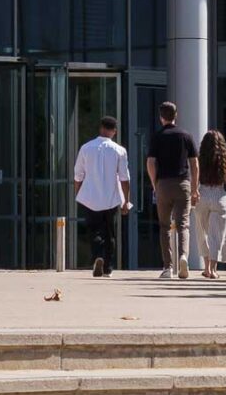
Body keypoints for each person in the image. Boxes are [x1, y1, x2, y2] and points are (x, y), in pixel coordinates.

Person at [144, 101, 199, 279]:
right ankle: (183, 256)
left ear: (161, 117)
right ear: (176, 115)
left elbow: (150, 162)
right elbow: (194, 164)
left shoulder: (157, 136)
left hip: (163, 184)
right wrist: (194, 188)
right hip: (183, 183)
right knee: (183, 224)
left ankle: (168, 267)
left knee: (165, 226)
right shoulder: (186, 135)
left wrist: (155, 184)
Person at [71, 114, 131, 277]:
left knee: (94, 231)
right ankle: (108, 268)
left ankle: (98, 255)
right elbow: (124, 178)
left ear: (101, 128)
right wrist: (126, 201)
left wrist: (78, 193)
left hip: (90, 197)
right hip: (111, 198)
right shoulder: (119, 150)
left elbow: (78, 175)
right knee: (110, 232)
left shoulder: (86, 148)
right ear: (114, 131)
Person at [193, 130, 226, 279]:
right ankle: (213, 269)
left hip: (203, 195)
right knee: (217, 234)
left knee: (202, 233)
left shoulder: (199, 160)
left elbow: (195, 179)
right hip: (219, 196)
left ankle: (206, 268)